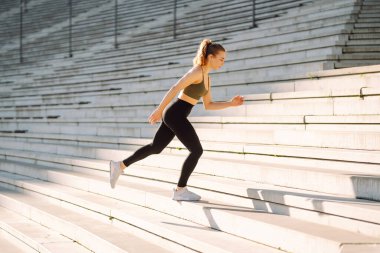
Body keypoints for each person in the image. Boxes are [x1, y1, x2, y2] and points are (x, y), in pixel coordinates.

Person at [109, 39, 244, 201]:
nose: (223, 62)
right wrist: (159, 110)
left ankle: (120, 165)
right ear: (210, 57)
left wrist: (230, 104)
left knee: (156, 147)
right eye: (221, 59)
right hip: (175, 114)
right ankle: (180, 190)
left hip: (176, 115)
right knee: (196, 150)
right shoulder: (197, 71)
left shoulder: (207, 78)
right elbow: (175, 88)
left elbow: (208, 105)